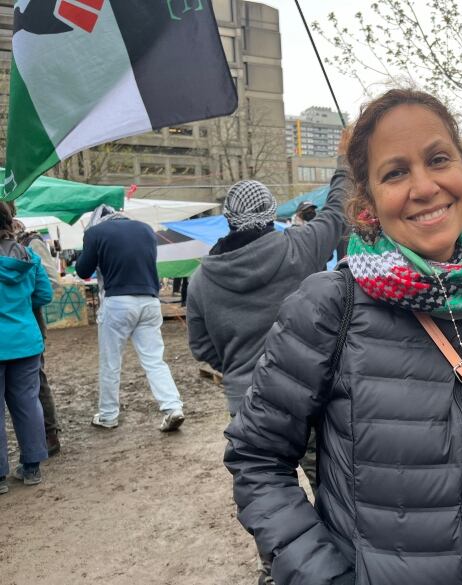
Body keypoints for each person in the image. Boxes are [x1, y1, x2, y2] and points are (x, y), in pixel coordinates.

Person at [225, 89, 462, 585]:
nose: (424, 186)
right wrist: (323, 575)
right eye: (395, 172)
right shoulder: (330, 308)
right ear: (368, 201)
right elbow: (258, 457)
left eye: (438, 159)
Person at [188, 132, 349, 417]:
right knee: (321, 464)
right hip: (308, 391)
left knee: (260, 464)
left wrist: (238, 369)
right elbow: (337, 211)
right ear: (271, 212)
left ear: (228, 218)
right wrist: (345, 162)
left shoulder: (201, 279)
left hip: (246, 403)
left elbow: (201, 347)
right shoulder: (300, 246)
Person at [75, 206, 184, 432]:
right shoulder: (146, 230)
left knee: (111, 362)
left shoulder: (95, 233)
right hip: (150, 301)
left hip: (118, 302)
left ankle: (107, 415)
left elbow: (83, 271)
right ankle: (173, 406)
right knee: (154, 360)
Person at [0, 201, 53, 493]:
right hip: (25, 341)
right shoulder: (28, 255)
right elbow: (44, 294)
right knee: (27, 403)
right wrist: (19, 308)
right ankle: (31, 468)